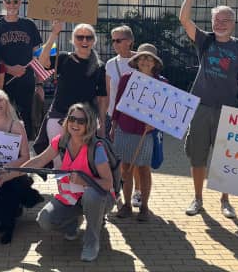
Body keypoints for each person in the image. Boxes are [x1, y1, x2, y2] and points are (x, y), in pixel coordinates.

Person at [0, 103, 114, 262]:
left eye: (81, 121)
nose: (75, 124)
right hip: (72, 198)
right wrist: (9, 175)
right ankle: (73, 225)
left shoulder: (96, 148)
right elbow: (38, 161)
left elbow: (107, 183)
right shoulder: (61, 142)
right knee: (44, 220)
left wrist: (85, 181)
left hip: (100, 199)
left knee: (91, 195)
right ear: (67, 121)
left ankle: (92, 243)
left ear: (89, 124)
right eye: (72, 119)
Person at [179, 0, 238, 218]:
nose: (220, 24)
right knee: (198, 155)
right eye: (216, 20)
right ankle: (198, 198)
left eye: (225, 20)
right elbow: (184, 19)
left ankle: (225, 201)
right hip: (201, 107)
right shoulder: (205, 41)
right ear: (211, 22)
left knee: (226, 158)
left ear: (233, 23)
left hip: (228, 111)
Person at [38, 22, 107, 167]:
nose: (84, 41)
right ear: (73, 40)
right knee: (58, 160)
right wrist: (53, 35)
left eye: (88, 37)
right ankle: (63, 190)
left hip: (86, 120)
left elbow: (102, 98)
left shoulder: (99, 66)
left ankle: (76, 190)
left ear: (94, 41)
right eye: (80, 37)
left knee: (82, 160)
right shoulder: (64, 58)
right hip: (58, 115)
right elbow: (42, 62)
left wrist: (102, 124)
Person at [111, 44, 165, 222]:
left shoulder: (162, 83)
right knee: (125, 168)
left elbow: (165, 112)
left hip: (146, 133)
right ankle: (126, 205)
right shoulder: (127, 78)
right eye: (142, 57)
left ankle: (144, 207)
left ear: (155, 62)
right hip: (125, 129)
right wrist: (114, 125)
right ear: (136, 60)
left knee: (144, 169)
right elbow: (118, 102)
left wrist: (154, 124)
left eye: (149, 58)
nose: (145, 61)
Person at [0, 0, 42, 138]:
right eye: (8, 1)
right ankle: (3, 148)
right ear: (4, 3)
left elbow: (37, 55)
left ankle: (27, 149)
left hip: (26, 80)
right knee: (2, 114)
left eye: (15, 1)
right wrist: (9, 69)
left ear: (20, 3)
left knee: (27, 116)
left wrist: (39, 83)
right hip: (4, 79)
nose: (11, 4)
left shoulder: (29, 25)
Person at [104, 25, 142, 208]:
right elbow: (107, 92)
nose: (115, 44)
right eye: (113, 40)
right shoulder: (111, 64)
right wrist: (105, 117)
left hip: (137, 118)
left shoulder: (142, 60)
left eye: (119, 40)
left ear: (130, 41)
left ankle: (138, 192)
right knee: (119, 159)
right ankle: (119, 192)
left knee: (136, 157)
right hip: (115, 117)